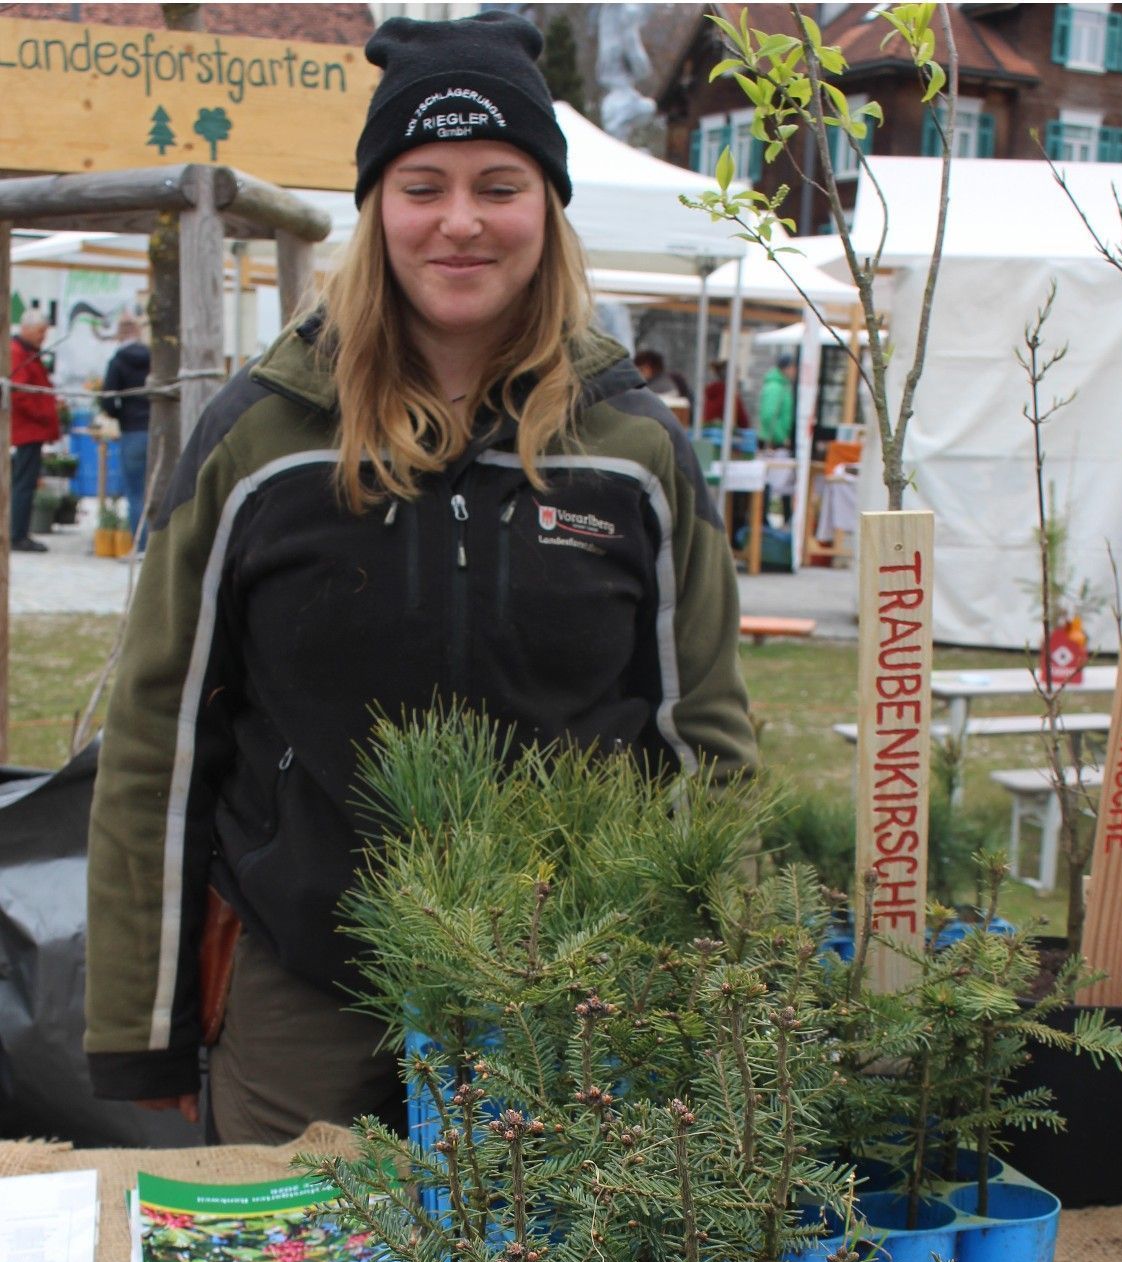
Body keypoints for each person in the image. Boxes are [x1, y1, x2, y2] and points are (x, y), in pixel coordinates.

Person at [83, 9, 758, 1148]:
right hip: (307, 978)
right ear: (374, 208)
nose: (460, 223)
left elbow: (706, 745)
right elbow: (161, 737)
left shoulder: (632, 454)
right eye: (422, 184)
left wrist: (727, 995)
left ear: (548, 208)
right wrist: (139, 1026)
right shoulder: (261, 443)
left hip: (571, 997)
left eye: (500, 184)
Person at [9, 309, 60, 552]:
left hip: (31, 429)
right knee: (23, 484)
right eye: (40, 332)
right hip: (27, 429)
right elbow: (20, 394)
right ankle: (17, 534)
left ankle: (18, 531)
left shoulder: (27, 352)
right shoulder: (19, 353)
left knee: (25, 482)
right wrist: (43, 413)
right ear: (27, 329)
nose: (43, 337)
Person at [100, 313, 151, 549]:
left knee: (135, 493)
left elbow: (108, 400)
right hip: (157, 429)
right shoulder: (154, 358)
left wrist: (120, 416)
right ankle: (157, 549)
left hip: (132, 430)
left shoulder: (117, 361)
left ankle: (141, 546)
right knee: (159, 491)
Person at [758, 353, 797, 524]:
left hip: (777, 440)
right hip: (774, 443)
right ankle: (763, 520)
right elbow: (769, 416)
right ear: (787, 367)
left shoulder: (782, 386)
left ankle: (782, 518)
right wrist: (782, 437)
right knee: (770, 481)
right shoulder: (776, 387)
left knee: (781, 481)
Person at [702, 359, 750, 431]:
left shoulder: (708, 393)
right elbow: (744, 423)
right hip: (721, 437)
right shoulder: (730, 395)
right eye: (737, 374)